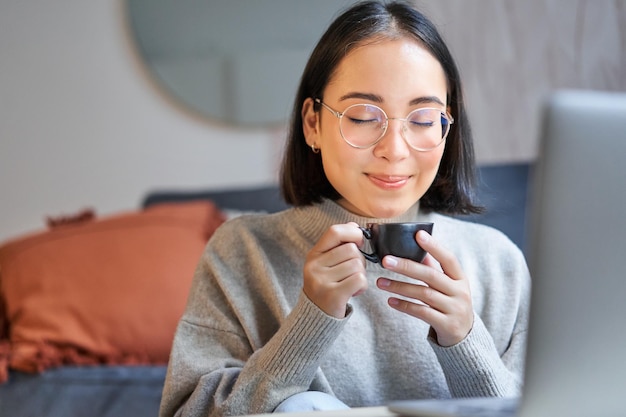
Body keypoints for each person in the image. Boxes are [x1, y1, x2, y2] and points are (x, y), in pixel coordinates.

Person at [159, 1, 530, 416]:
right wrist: (309, 322)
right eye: (363, 116)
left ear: (447, 128)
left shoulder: (499, 265)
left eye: (423, 119)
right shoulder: (243, 253)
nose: (393, 149)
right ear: (313, 124)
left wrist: (465, 339)